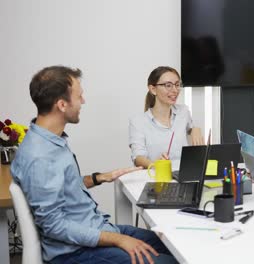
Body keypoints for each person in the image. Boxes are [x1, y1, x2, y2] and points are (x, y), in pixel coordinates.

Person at [10, 66, 177, 264]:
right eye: (79, 96)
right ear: (62, 105)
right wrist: (119, 239)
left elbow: (61, 188)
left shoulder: (49, 140)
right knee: (173, 261)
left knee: (177, 244)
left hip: (96, 229)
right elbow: (54, 226)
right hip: (75, 252)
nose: (83, 101)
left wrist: (99, 178)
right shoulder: (39, 156)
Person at [129, 66, 203, 168]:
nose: (175, 90)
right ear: (153, 89)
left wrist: (195, 129)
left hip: (183, 174)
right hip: (157, 177)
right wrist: (156, 165)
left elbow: (191, 128)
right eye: (168, 85)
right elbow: (138, 157)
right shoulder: (138, 121)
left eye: (177, 85)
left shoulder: (183, 112)